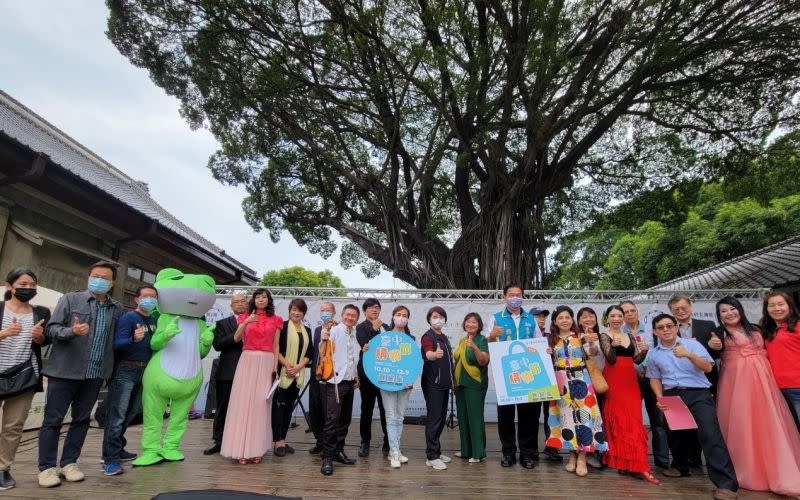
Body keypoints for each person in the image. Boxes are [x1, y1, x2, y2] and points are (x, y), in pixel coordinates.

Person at [38, 261, 123, 488]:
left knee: (82, 420)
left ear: (112, 283)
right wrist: (71, 332)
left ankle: (69, 463)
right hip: (64, 371)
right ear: (88, 277)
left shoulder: (117, 308)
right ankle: (46, 468)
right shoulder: (70, 299)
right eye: (96, 276)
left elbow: (116, 340)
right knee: (52, 420)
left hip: (94, 374)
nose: (100, 280)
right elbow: (51, 329)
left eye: (105, 278)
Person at [710, 296, 800, 497]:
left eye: (732, 309)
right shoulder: (719, 333)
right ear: (719, 316)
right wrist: (713, 344)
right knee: (743, 425)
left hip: (765, 384)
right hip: (737, 385)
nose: (729, 313)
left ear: (739, 309)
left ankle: (777, 468)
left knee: (769, 425)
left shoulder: (758, 329)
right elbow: (713, 348)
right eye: (723, 311)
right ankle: (749, 471)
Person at [647, 313, 738, 500]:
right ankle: (680, 467)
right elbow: (654, 378)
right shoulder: (654, 353)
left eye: (669, 326)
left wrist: (688, 355)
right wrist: (659, 398)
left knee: (710, 434)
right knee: (676, 434)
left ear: (676, 327)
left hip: (698, 393)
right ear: (655, 331)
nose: (666, 330)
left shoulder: (692, 345)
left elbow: (708, 367)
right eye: (661, 327)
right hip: (672, 394)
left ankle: (726, 484)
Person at [0, 268, 50, 491]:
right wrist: (4, 333)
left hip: (24, 375)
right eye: (23, 284)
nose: (28, 288)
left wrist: (40, 338)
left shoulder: (41, 313)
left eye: (32, 285)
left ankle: (3, 468)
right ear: (10, 286)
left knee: (13, 427)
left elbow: (43, 341)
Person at [598, 305, 660, 484]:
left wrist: (644, 351)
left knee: (634, 421)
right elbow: (610, 359)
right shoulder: (605, 335)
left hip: (630, 381)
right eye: (613, 316)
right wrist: (612, 346)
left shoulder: (630, 335)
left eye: (620, 315)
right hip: (614, 380)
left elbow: (635, 360)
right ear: (607, 318)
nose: (617, 318)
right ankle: (633, 465)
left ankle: (635, 464)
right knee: (619, 422)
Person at [101, 285, 158, 475]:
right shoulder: (129, 318)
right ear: (137, 299)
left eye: (153, 297)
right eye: (146, 296)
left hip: (145, 371)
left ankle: (117, 448)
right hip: (126, 369)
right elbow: (117, 344)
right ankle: (109, 459)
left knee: (131, 412)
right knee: (116, 415)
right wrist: (133, 339)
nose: (150, 300)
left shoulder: (154, 319)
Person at [221, 288, 282, 464]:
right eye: (258, 297)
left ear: (268, 300)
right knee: (243, 404)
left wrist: (274, 367)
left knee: (260, 406)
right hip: (247, 359)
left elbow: (276, 345)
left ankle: (257, 449)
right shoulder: (244, 317)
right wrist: (246, 321)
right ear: (253, 300)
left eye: (264, 297)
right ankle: (240, 449)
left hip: (266, 361)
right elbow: (237, 338)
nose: (261, 300)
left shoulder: (276, 320)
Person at [545, 305, 607, 477]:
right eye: (560, 318)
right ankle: (571, 455)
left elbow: (592, 353)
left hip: (581, 380)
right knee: (566, 420)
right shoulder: (551, 339)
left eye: (567, 317)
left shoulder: (581, 336)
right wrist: (546, 353)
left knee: (584, 419)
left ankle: (582, 457)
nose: (564, 320)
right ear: (555, 322)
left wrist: (591, 342)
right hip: (561, 383)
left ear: (572, 320)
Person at [486, 284, 542, 469]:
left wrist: (544, 349)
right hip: (505, 375)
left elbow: (539, 343)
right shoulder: (495, 318)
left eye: (519, 295)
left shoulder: (531, 319)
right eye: (511, 295)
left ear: (523, 297)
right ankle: (508, 452)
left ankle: (526, 453)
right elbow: (488, 344)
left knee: (528, 416)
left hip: (528, 374)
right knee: (506, 416)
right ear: (504, 297)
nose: (515, 298)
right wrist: (492, 336)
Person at [621, 300, 670, 470]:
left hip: (652, 379)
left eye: (631, 310)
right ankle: (632, 459)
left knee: (659, 421)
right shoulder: (618, 333)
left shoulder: (653, 330)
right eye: (625, 312)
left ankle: (662, 461)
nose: (629, 314)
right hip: (629, 381)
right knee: (630, 422)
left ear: (637, 311)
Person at [204, 293, 248, 455]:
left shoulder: (256, 322)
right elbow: (218, 345)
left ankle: (241, 440)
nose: (240, 304)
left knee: (245, 408)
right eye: (236, 302)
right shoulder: (222, 323)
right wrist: (237, 336)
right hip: (228, 371)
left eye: (243, 301)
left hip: (249, 372)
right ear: (231, 306)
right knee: (223, 406)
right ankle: (218, 439)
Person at [320, 304, 362, 476]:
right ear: (343, 315)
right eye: (348, 315)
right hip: (335, 381)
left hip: (350, 381)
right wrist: (324, 339)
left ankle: (338, 451)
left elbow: (352, 358)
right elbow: (323, 352)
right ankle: (327, 457)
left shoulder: (354, 333)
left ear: (357, 319)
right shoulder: (334, 330)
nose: (350, 318)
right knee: (332, 420)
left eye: (353, 316)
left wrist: (356, 376)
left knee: (344, 419)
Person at [376, 305, 416, 468]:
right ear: (392, 317)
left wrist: (411, 379)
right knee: (391, 417)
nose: (401, 317)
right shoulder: (384, 337)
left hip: (405, 384)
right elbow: (375, 358)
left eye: (404, 315)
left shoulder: (411, 339)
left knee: (400, 417)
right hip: (387, 382)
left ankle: (397, 450)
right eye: (398, 314)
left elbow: (414, 362)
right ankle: (393, 452)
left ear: (408, 319)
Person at [272, 299, 313, 457]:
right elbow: (275, 348)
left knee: (289, 408)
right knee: (279, 409)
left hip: (297, 374)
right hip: (282, 372)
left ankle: (283, 438)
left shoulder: (307, 330)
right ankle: (277, 442)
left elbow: (309, 352)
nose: (296, 313)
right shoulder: (281, 326)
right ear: (289, 310)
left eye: (299, 311)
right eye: (293, 310)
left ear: (304, 313)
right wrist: (288, 365)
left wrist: (298, 366)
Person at [761, 291, 800, 432]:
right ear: (766, 310)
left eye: (780, 304)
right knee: (792, 431)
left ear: (789, 306)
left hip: (798, 388)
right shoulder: (768, 331)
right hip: (778, 389)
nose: (777, 308)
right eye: (771, 305)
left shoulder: (798, 326)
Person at [454, 312, 489, 463]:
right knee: (463, 417)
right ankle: (466, 450)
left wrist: (474, 347)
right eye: (468, 322)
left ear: (479, 325)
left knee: (475, 417)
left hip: (475, 384)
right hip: (460, 384)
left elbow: (483, 361)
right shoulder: (462, 340)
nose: (470, 324)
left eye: (474, 322)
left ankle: (478, 453)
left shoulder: (482, 340)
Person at [420, 306, 453, 470]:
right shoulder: (428, 337)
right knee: (434, 420)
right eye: (434, 316)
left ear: (445, 319)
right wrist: (434, 355)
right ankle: (431, 456)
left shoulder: (444, 337)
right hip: (432, 384)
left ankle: (437, 451)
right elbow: (428, 354)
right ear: (429, 319)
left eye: (441, 316)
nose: (438, 319)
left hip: (444, 384)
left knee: (440, 418)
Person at [355, 298, 389, 456]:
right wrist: (374, 329)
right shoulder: (361, 327)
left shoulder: (387, 327)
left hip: (384, 375)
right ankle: (365, 442)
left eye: (376, 308)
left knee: (385, 409)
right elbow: (365, 345)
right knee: (366, 409)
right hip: (367, 375)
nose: (374, 310)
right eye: (370, 308)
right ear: (365, 311)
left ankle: (388, 441)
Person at [531, 305, 561, 463]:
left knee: (551, 416)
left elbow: (561, 358)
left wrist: (553, 352)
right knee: (532, 417)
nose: (541, 319)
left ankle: (551, 448)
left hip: (551, 382)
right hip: (533, 382)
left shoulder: (552, 337)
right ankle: (531, 449)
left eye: (543, 316)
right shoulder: (526, 336)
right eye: (537, 316)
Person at [577, 306, 604, 470]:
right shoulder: (577, 337)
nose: (588, 319)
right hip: (586, 383)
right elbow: (592, 353)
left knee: (602, 418)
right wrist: (588, 341)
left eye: (591, 316)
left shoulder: (604, 335)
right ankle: (588, 453)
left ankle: (603, 451)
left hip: (605, 380)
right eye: (584, 317)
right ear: (578, 321)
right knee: (588, 419)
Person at [308, 302, 337, 454]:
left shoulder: (338, 328)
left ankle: (329, 444)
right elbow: (315, 352)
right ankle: (319, 440)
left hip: (331, 375)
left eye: (328, 310)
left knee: (329, 412)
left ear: (334, 312)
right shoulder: (318, 329)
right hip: (316, 374)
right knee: (315, 409)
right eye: (322, 310)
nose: (325, 312)